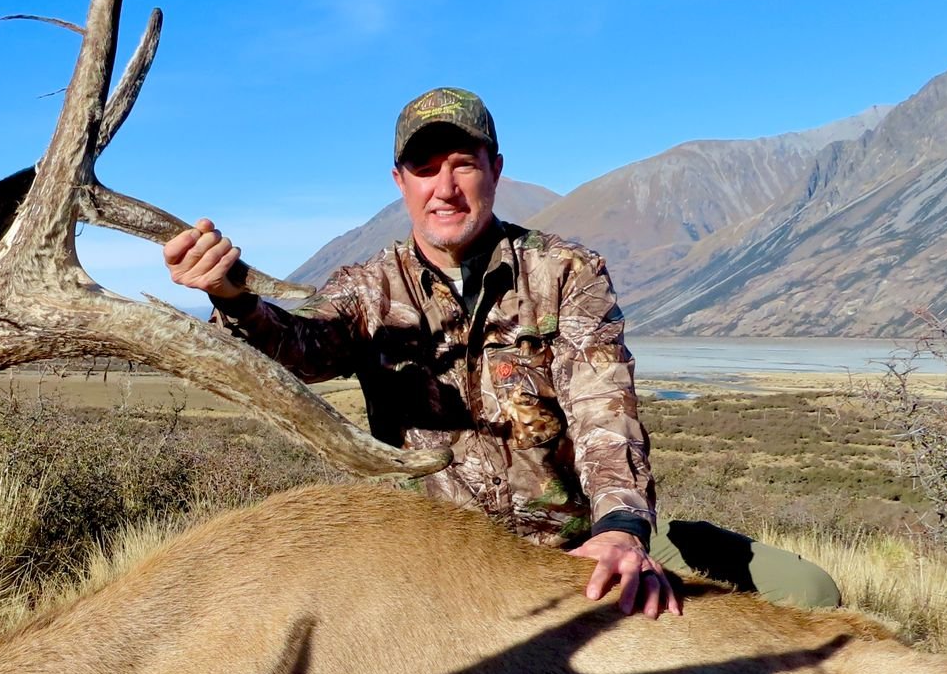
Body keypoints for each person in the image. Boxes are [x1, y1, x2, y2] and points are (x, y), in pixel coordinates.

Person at [164, 86, 839, 617]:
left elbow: (604, 408)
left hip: (578, 542)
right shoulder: (368, 287)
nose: (445, 187)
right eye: (425, 169)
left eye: (462, 164)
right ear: (399, 181)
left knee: (808, 595)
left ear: (495, 169)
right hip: (436, 559)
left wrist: (623, 527)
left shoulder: (567, 273)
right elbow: (303, 344)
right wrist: (233, 298)